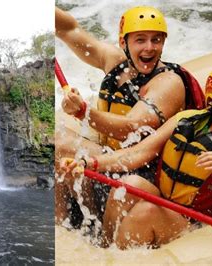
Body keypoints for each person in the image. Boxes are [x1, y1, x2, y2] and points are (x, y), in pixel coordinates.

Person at [61, 65, 212, 249]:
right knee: (127, 185)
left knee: (146, 212)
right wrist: (88, 163)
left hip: (199, 221)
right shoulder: (187, 119)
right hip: (169, 201)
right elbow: (139, 152)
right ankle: (105, 248)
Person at [55, 6, 203, 226]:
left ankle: (95, 227)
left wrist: (82, 111)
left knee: (67, 146)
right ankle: (63, 223)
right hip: (109, 157)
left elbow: (130, 127)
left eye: (156, 40)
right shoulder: (113, 61)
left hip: (144, 170)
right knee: (57, 141)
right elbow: (68, 28)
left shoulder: (169, 82)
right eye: (140, 40)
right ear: (124, 43)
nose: (149, 48)